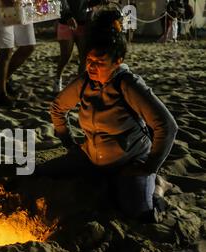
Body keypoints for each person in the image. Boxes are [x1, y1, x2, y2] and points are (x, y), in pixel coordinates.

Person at [43, 9, 178, 223]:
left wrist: (149, 165)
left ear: (117, 61)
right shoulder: (86, 81)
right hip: (92, 157)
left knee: (141, 213)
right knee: (42, 173)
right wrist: (67, 140)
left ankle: (158, 185)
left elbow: (167, 126)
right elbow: (58, 107)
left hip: (129, 161)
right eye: (89, 60)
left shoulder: (127, 83)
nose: (92, 67)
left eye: (100, 62)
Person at [0, 0, 35, 107]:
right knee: (6, 49)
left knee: (29, 46)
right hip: (4, 5)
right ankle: (2, 93)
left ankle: (3, 79)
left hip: (25, 5)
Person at [54, 0, 102, 93]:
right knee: (66, 56)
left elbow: (87, 3)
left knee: (84, 57)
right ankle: (58, 79)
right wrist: (68, 16)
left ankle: (81, 85)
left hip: (82, 22)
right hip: (66, 22)